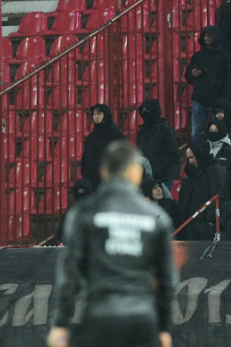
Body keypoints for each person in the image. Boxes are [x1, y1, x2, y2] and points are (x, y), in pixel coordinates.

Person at [48, 142, 177, 347]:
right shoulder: (156, 218)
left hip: (100, 317)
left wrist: (60, 324)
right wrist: (163, 329)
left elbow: (69, 273)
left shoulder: (84, 212)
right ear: (135, 172)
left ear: (103, 172)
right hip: (142, 320)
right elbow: (167, 280)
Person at [185, 26, 229, 143]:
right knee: (195, 134)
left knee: (217, 132)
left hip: (216, 99)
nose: (206, 38)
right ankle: (196, 156)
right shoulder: (197, 56)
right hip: (199, 98)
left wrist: (215, 85)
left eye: (209, 36)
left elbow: (226, 77)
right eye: (204, 35)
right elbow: (188, 76)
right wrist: (193, 74)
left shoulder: (224, 56)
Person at [80, 104, 126, 191]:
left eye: (99, 114)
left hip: (110, 182)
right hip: (93, 182)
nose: (96, 117)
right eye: (94, 114)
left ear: (106, 115)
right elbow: (85, 158)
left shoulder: (116, 136)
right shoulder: (91, 137)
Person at [136, 99, 180, 188]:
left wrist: (158, 169)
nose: (145, 113)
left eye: (147, 110)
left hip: (162, 180)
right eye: (143, 110)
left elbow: (173, 154)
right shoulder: (141, 132)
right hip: (145, 180)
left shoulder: (165, 130)